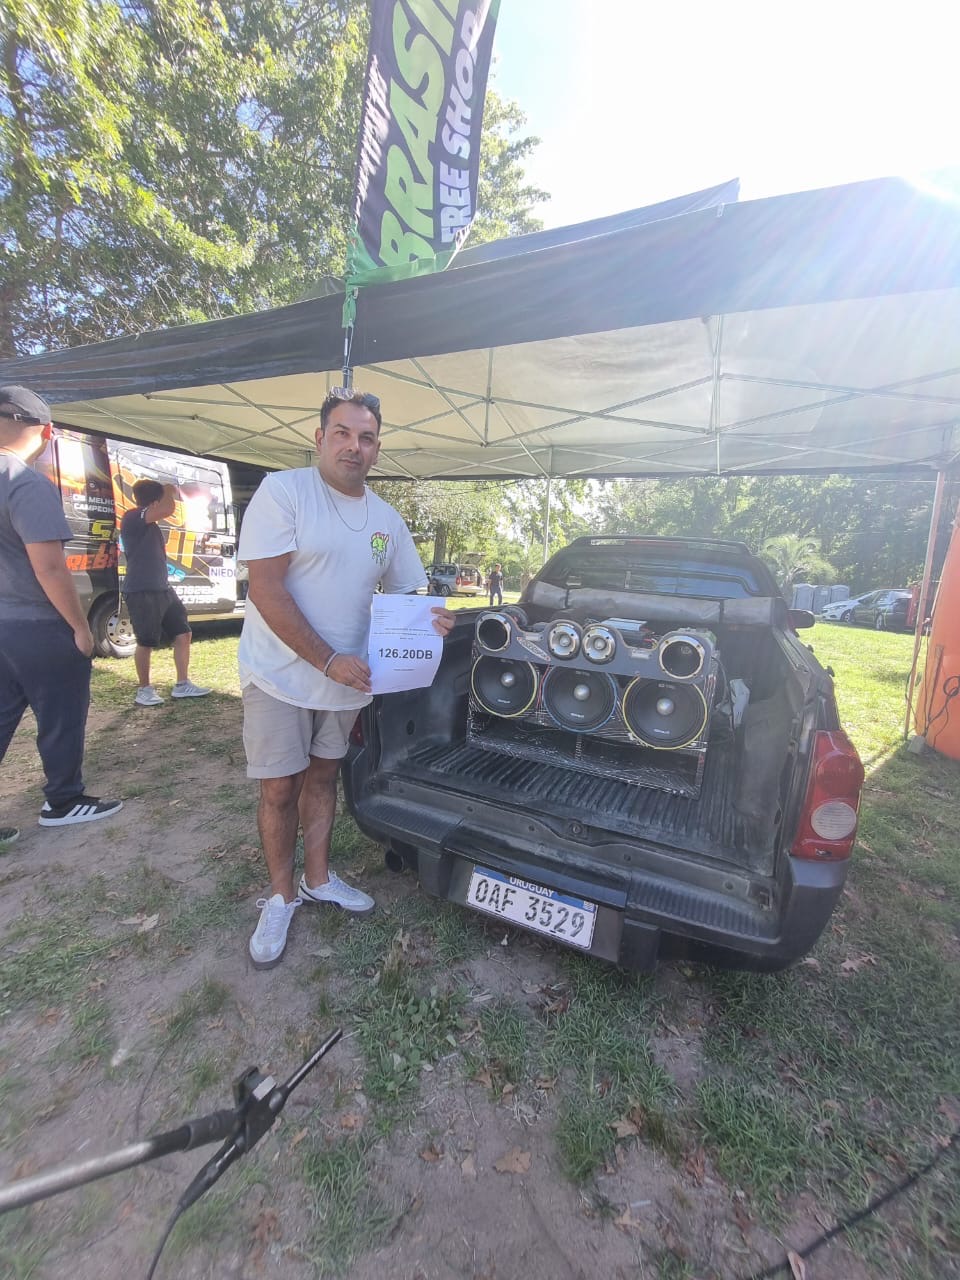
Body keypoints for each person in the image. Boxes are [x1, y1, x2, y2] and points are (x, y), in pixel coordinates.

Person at [239, 388, 455, 968]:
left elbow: (408, 591)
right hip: (279, 673)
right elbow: (265, 589)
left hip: (347, 681)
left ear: (377, 448)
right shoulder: (284, 492)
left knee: (323, 778)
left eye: (366, 438)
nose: (353, 446)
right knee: (279, 787)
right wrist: (327, 658)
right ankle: (280, 897)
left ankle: (317, 879)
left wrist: (432, 619)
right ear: (320, 438)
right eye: (342, 433)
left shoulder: (386, 519)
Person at [0, 384, 122, 827]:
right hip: (36, 624)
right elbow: (50, 568)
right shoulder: (25, 483)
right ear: (47, 431)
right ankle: (63, 801)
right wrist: (80, 628)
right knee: (62, 714)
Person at [120, 479, 211, 706]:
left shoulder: (148, 522)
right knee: (146, 641)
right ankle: (144, 690)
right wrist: (170, 490)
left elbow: (166, 509)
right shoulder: (133, 516)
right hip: (142, 590)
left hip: (163, 588)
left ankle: (182, 684)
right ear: (155, 502)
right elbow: (168, 509)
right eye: (161, 499)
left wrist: (166, 492)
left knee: (183, 633)